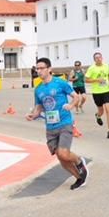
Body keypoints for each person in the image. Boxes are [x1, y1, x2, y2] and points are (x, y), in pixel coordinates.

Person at [26, 58, 88, 190]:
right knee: (60, 157)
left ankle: (78, 161)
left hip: (65, 122)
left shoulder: (60, 83)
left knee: (64, 153)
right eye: (37, 68)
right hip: (50, 126)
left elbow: (76, 97)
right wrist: (33, 115)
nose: (39, 71)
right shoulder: (38, 89)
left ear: (49, 69)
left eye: (42, 68)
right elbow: (39, 107)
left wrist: (71, 106)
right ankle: (79, 178)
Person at [85, 52, 109, 139]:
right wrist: (96, 80)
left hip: (107, 91)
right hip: (97, 92)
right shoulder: (91, 68)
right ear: (94, 60)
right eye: (96, 58)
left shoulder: (106, 66)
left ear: (102, 58)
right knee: (101, 111)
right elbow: (86, 80)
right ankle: (98, 116)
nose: (98, 59)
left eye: (99, 57)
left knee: (108, 109)